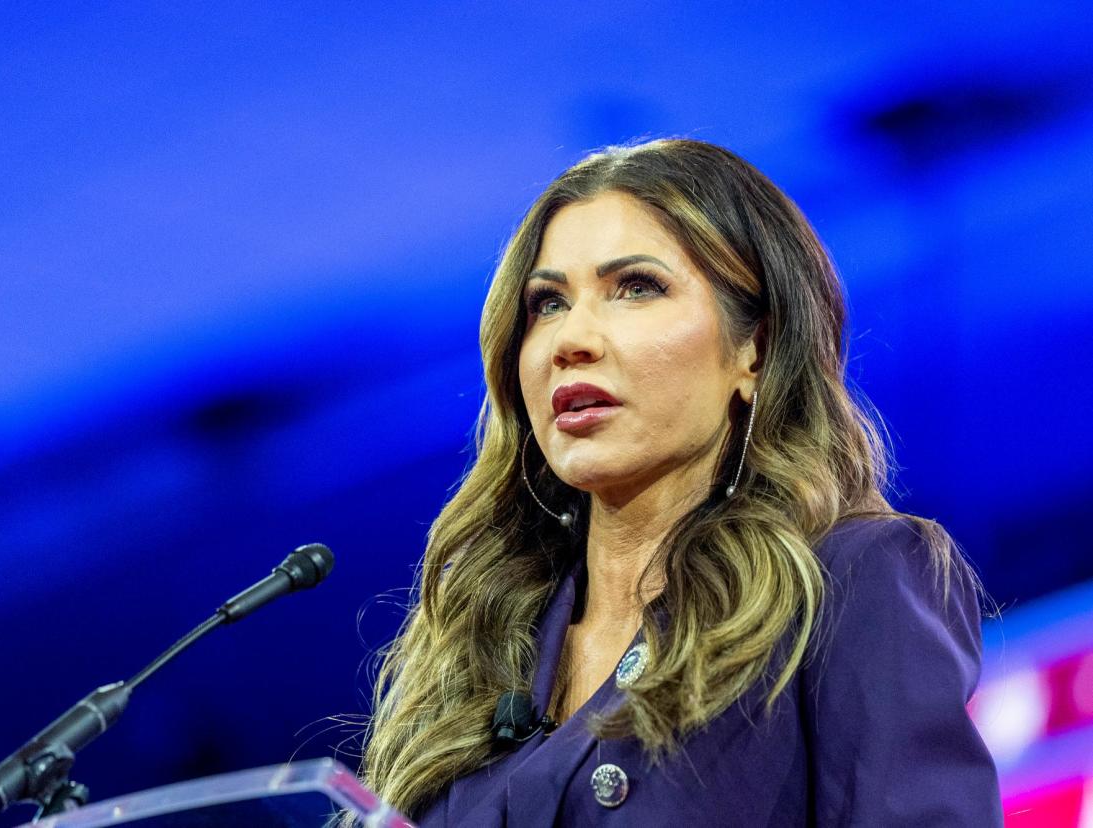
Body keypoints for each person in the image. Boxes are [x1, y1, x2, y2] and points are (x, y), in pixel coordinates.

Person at [360, 139, 1002, 825]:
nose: (569, 338)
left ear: (754, 348)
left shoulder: (847, 582)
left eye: (635, 288)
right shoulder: (471, 657)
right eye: (546, 303)